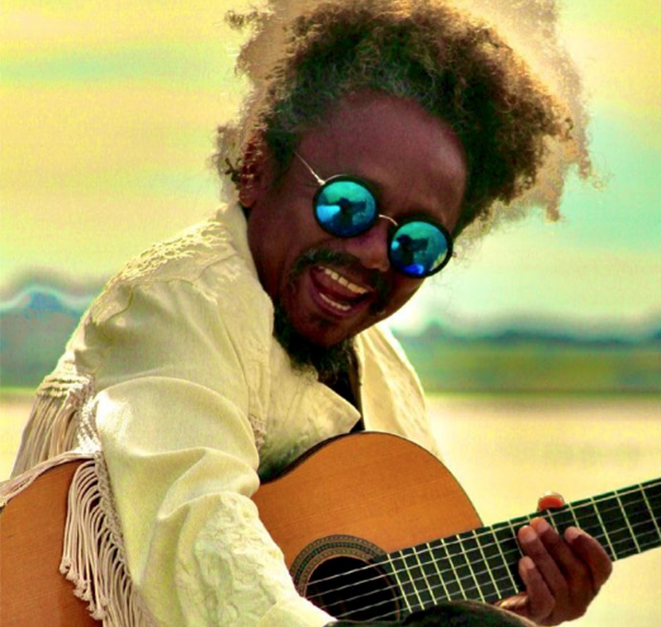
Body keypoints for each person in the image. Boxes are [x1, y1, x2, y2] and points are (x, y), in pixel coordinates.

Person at [5, 1, 612, 626]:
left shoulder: (386, 374)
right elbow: (201, 545)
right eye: (347, 205)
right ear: (255, 166)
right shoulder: (177, 303)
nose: (374, 254)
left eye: (417, 242)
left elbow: (403, 593)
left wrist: (518, 610)